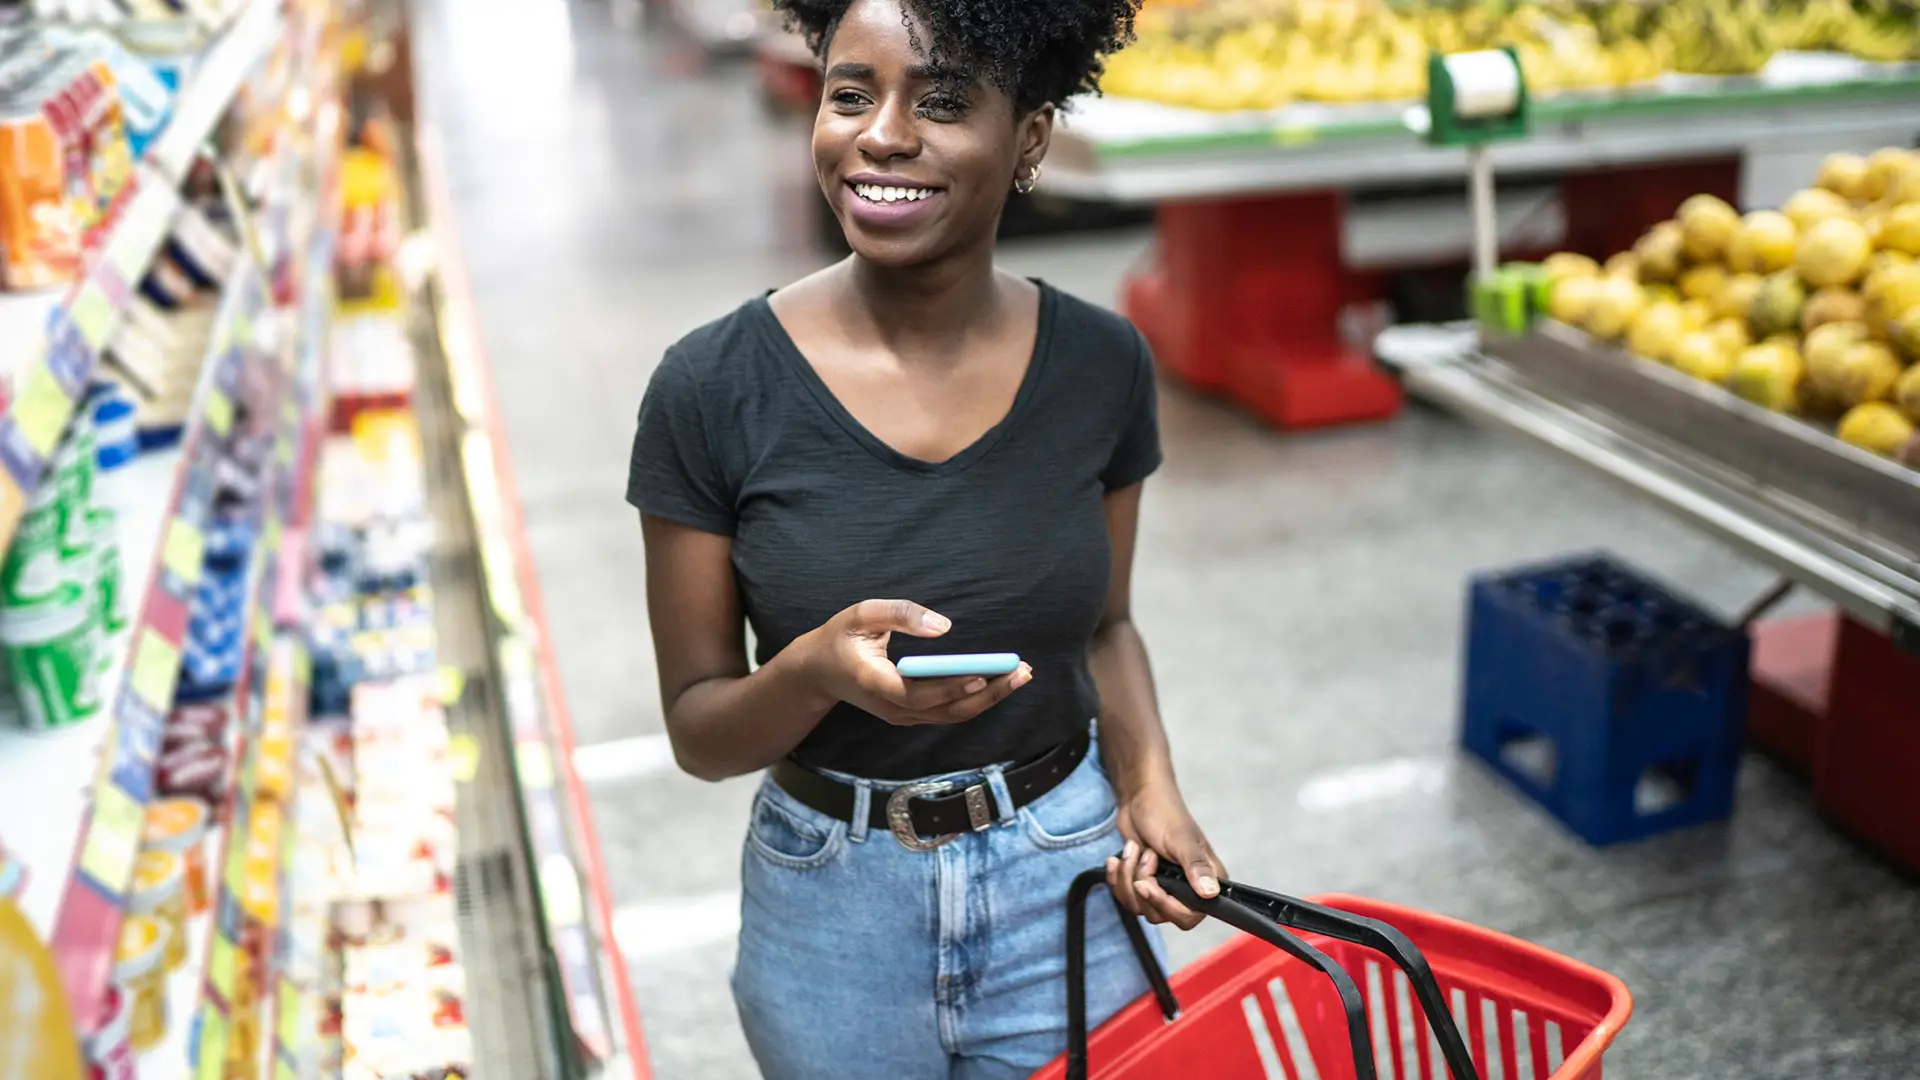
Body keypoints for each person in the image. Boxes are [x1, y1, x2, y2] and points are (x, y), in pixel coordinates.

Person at [627, 0, 1223, 1075]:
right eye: (850, 94)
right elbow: (699, 731)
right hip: (832, 912)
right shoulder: (711, 387)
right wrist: (814, 673)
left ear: (1030, 136)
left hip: (1067, 880)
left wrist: (1149, 786)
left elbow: (1107, 627)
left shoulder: (1101, 365)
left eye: (942, 103)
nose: (882, 134)